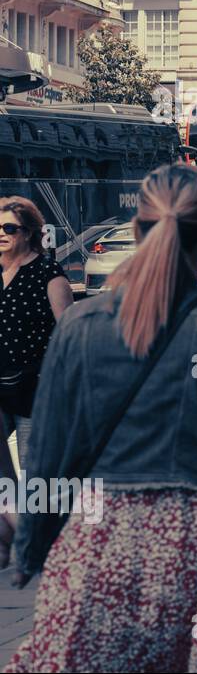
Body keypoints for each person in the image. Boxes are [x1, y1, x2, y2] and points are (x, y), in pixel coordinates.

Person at [5, 164, 197, 671]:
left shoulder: (83, 324)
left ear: (136, 230)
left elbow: (47, 454)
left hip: (98, 541)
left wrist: (29, 548)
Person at [0, 197, 74, 568]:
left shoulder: (49, 273)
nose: (1, 234)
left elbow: (69, 334)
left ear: (29, 233)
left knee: (35, 472)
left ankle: (39, 542)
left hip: (37, 387)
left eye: (9, 228)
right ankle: (13, 533)